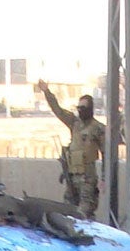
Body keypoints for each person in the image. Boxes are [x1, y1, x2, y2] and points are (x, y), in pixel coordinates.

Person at [36, 80, 104, 217]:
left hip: (87, 178)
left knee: (85, 213)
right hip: (72, 177)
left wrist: (104, 178)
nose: (80, 110)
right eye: (78, 107)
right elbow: (58, 110)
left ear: (90, 109)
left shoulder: (98, 128)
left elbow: (106, 153)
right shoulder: (74, 123)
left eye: (83, 107)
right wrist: (47, 92)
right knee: (68, 211)